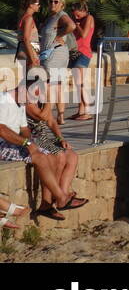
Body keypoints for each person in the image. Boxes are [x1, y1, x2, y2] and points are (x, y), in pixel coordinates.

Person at [0, 82, 77, 221]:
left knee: (51, 155)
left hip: (15, 140)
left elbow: (24, 128)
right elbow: (2, 130)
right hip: (3, 143)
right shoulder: (3, 100)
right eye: (32, 98)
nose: (32, 102)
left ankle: (47, 203)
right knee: (40, 158)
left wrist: (31, 144)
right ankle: (61, 197)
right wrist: (26, 143)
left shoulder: (21, 101)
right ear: (23, 89)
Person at [23, 74, 86, 219]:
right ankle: (48, 202)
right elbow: (42, 117)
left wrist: (60, 138)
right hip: (31, 140)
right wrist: (49, 101)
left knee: (72, 156)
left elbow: (51, 122)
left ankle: (62, 196)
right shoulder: (26, 99)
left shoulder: (41, 98)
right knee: (59, 156)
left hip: (44, 138)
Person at [39, 0, 75, 123]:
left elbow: (71, 26)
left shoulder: (61, 15)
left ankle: (46, 114)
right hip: (56, 53)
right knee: (58, 85)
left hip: (54, 54)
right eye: (50, 1)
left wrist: (59, 35)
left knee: (51, 84)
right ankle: (60, 116)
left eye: (56, 2)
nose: (52, 4)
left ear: (62, 5)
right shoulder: (51, 17)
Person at [68, 0, 95, 120]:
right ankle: (81, 111)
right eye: (73, 12)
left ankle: (88, 110)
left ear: (83, 10)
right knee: (77, 83)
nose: (75, 15)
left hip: (84, 53)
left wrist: (77, 26)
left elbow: (84, 34)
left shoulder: (89, 18)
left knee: (80, 83)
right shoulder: (77, 19)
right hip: (75, 52)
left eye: (77, 12)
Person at [14, 0, 40, 69]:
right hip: (28, 52)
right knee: (35, 79)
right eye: (38, 4)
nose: (39, 6)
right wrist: (32, 59)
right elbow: (26, 39)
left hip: (22, 51)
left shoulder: (23, 17)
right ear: (31, 5)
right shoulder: (29, 18)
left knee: (25, 79)